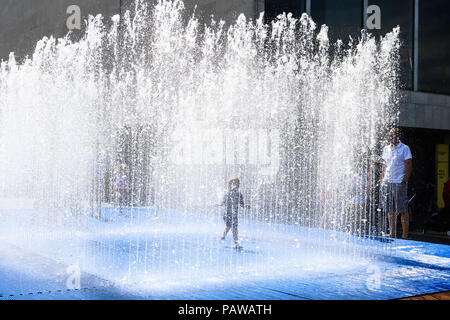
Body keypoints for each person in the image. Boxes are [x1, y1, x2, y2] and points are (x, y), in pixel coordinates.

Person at [381, 128, 413, 239]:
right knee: (390, 210)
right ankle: (392, 234)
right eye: (389, 135)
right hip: (388, 182)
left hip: (399, 182)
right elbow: (384, 165)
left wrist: (404, 180)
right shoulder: (386, 149)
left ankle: (405, 236)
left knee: (403, 209)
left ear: (398, 136)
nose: (390, 137)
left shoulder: (405, 148)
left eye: (392, 135)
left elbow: (409, 165)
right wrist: (383, 179)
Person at [219, 177, 250, 249]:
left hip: (226, 214)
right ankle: (237, 244)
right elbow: (242, 205)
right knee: (235, 229)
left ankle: (223, 237)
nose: (239, 184)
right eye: (238, 183)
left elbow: (222, 203)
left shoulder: (227, 193)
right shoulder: (239, 194)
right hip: (233, 214)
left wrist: (216, 204)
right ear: (237, 184)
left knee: (228, 226)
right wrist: (246, 205)